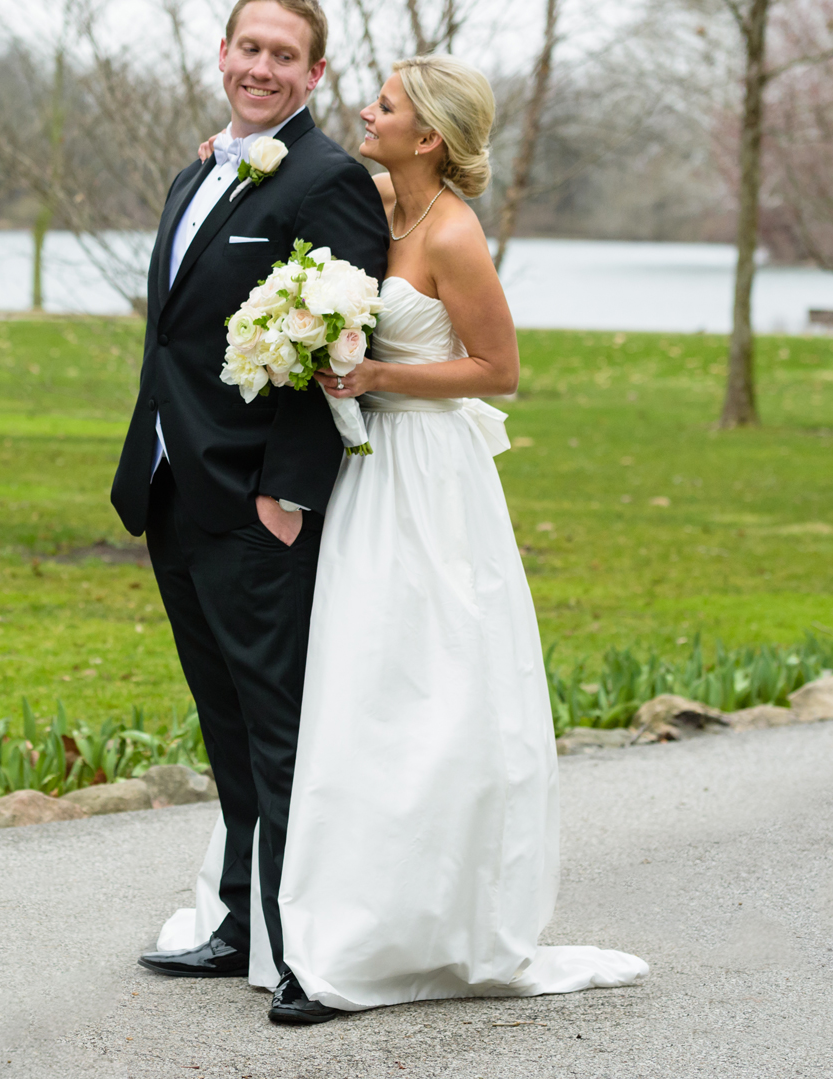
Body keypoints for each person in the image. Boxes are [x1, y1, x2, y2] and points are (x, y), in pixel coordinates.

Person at [276, 55, 646, 1018]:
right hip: (370, 479)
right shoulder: (375, 205)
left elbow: (499, 367)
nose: (367, 109)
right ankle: (345, 914)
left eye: (386, 104)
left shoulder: (452, 232)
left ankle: (422, 926)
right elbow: (294, 168)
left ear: (428, 135)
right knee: (360, 681)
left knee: (430, 688)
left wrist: (378, 378)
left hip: (432, 480)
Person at [109, 0, 389, 1024]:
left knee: (280, 730)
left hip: (258, 504)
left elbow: (336, 348)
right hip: (173, 489)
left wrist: (286, 490)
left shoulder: (328, 182)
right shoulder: (201, 171)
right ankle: (237, 923)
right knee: (224, 726)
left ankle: (307, 951)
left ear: (313, 74)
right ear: (220, 50)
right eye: (249, 48)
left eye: (285, 56)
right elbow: (177, 337)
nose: (262, 69)